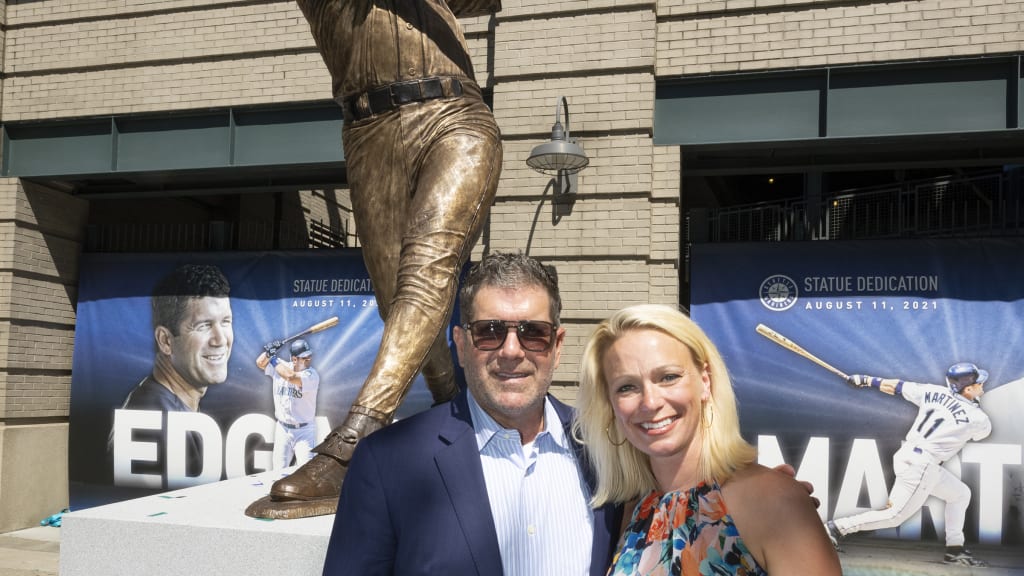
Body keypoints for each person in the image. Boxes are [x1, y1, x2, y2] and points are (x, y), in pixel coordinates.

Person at [248, 0, 504, 519]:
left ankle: (354, 440)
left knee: (425, 274)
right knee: (397, 303)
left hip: (454, 114)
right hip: (369, 134)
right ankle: (453, 404)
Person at [321, 251, 622, 575]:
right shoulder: (385, 462)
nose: (511, 350)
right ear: (462, 346)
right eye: (489, 331)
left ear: (557, 346)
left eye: (533, 332)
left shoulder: (608, 447)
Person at [575, 304, 841, 575]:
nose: (650, 402)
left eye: (668, 377)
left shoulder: (773, 502)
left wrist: (782, 498)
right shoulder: (632, 512)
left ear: (705, 381)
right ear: (610, 404)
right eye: (627, 387)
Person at [824, 362, 993, 567]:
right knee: (894, 517)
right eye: (979, 383)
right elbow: (980, 434)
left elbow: (896, 386)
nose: (982, 386)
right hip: (922, 465)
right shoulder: (978, 418)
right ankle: (836, 528)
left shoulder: (932, 391)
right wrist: (971, 404)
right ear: (967, 388)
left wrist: (866, 380)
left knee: (960, 494)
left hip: (910, 456)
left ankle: (955, 550)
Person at [120, 263, 234, 412]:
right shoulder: (157, 417)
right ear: (165, 341)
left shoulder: (167, 407)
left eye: (225, 321)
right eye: (204, 326)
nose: (220, 340)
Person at [256, 338, 321, 470]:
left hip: (304, 432)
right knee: (278, 472)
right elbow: (260, 363)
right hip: (283, 429)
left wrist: (273, 359)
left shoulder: (311, 375)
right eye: (304, 357)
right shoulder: (281, 366)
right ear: (294, 359)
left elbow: (290, 376)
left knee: (306, 474)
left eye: (309, 356)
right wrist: (268, 353)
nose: (308, 359)